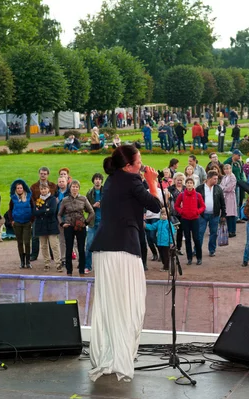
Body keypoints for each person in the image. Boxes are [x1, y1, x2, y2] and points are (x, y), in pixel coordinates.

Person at [88, 145, 161, 382]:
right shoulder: (132, 181)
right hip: (122, 250)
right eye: (139, 162)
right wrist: (152, 182)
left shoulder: (112, 180)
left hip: (105, 249)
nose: (142, 165)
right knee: (130, 303)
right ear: (128, 165)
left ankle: (111, 354)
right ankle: (120, 356)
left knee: (110, 304)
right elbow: (156, 206)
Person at [58, 180, 94, 276]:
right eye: (73, 187)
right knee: (69, 248)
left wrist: (85, 223)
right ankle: (69, 270)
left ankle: (81, 269)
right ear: (70, 188)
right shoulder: (65, 200)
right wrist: (62, 224)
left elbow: (91, 212)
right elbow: (59, 214)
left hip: (80, 226)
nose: (74, 188)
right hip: (69, 225)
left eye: (76, 187)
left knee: (81, 248)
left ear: (79, 188)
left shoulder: (83, 199)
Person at [196, 171, 226, 260]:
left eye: (217, 178)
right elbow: (195, 201)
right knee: (200, 233)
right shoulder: (199, 188)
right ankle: (197, 249)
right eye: (215, 178)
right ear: (209, 178)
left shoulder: (218, 188)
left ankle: (212, 250)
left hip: (215, 215)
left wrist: (223, 214)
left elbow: (222, 203)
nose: (216, 180)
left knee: (214, 233)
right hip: (202, 215)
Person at [175, 177, 205, 265]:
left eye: (191, 183)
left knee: (196, 239)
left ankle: (199, 258)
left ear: (193, 184)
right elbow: (176, 206)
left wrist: (197, 212)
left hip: (195, 219)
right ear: (186, 184)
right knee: (187, 239)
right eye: (188, 183)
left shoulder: (197, 195)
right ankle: (189, 258)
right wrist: (182, 212)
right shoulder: (182, 195)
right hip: (185, 219)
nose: (189, 184)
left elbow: (203, 206)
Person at [33, 182, 62, 272]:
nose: (43, 190)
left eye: (45, 188)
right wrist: (45, 210)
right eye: (42, 189)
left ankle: (58, 263)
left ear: (48, 189)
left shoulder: (52, 199)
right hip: (41, 226)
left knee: (54, 245)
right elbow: (35, 212)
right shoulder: (38, 200)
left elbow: (52, 211)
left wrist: (41, 211)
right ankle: (47, 263)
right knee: (44, 246)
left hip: (51, 224)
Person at [7, 179, 34, 269]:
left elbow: (33, 208)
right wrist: (12, 220)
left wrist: (31, 220)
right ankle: (22, 261)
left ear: (23, 189)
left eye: (21, 188)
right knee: (20, 242)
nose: (19, 189)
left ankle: (28, 261)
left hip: (27, 222)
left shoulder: (28, 197)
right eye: (17, 188)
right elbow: (10, 210)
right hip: (17, 222)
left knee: (27, 242)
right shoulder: (13, 198)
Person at [85, 173, 104, 273]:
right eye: (96, 179)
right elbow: (86, 208)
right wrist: (94, 205)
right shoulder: (89, 193)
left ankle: (103, 267)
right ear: (93, 181)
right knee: (89, 245)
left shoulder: (106, 192)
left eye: (99, 179)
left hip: (104, 223)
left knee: (105, 246)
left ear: (101, 181)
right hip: (92, 222)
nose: (97, 181)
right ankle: (88, 266)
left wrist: (103, 205)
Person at [168, 172, 186, 255]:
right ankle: (171, 247)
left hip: (183, 213)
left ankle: (179, 248)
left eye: (181, 180)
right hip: (173, 212)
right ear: (174, 180)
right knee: (172, 231)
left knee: (180, 231)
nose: (179, 182)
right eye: (178, 180)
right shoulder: (170, 189)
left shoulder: (186, 188)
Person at [220, 164, 238, 237]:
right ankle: (229, 230)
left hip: (230, 196)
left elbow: (230, 187)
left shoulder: (232, 177)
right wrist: (223, 188)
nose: (226, 170)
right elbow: (221, 185)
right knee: (227, 214)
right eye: (225, 169)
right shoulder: (224, 177)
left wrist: (223, 188)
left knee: (231, 214)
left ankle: (232, 231)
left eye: (228, 169)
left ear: (231, 169)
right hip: (225, 196)